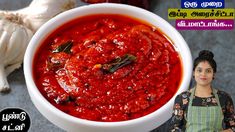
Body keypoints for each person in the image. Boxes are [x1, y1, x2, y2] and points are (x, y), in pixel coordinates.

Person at [169, 50, 235, 132]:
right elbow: (174, 128)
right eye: (199, 70)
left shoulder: (224, 98)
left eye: (208, 71)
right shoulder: (182, 98)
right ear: (193, 73)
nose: (203, 74)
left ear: (213, 74)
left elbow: (233, 126)